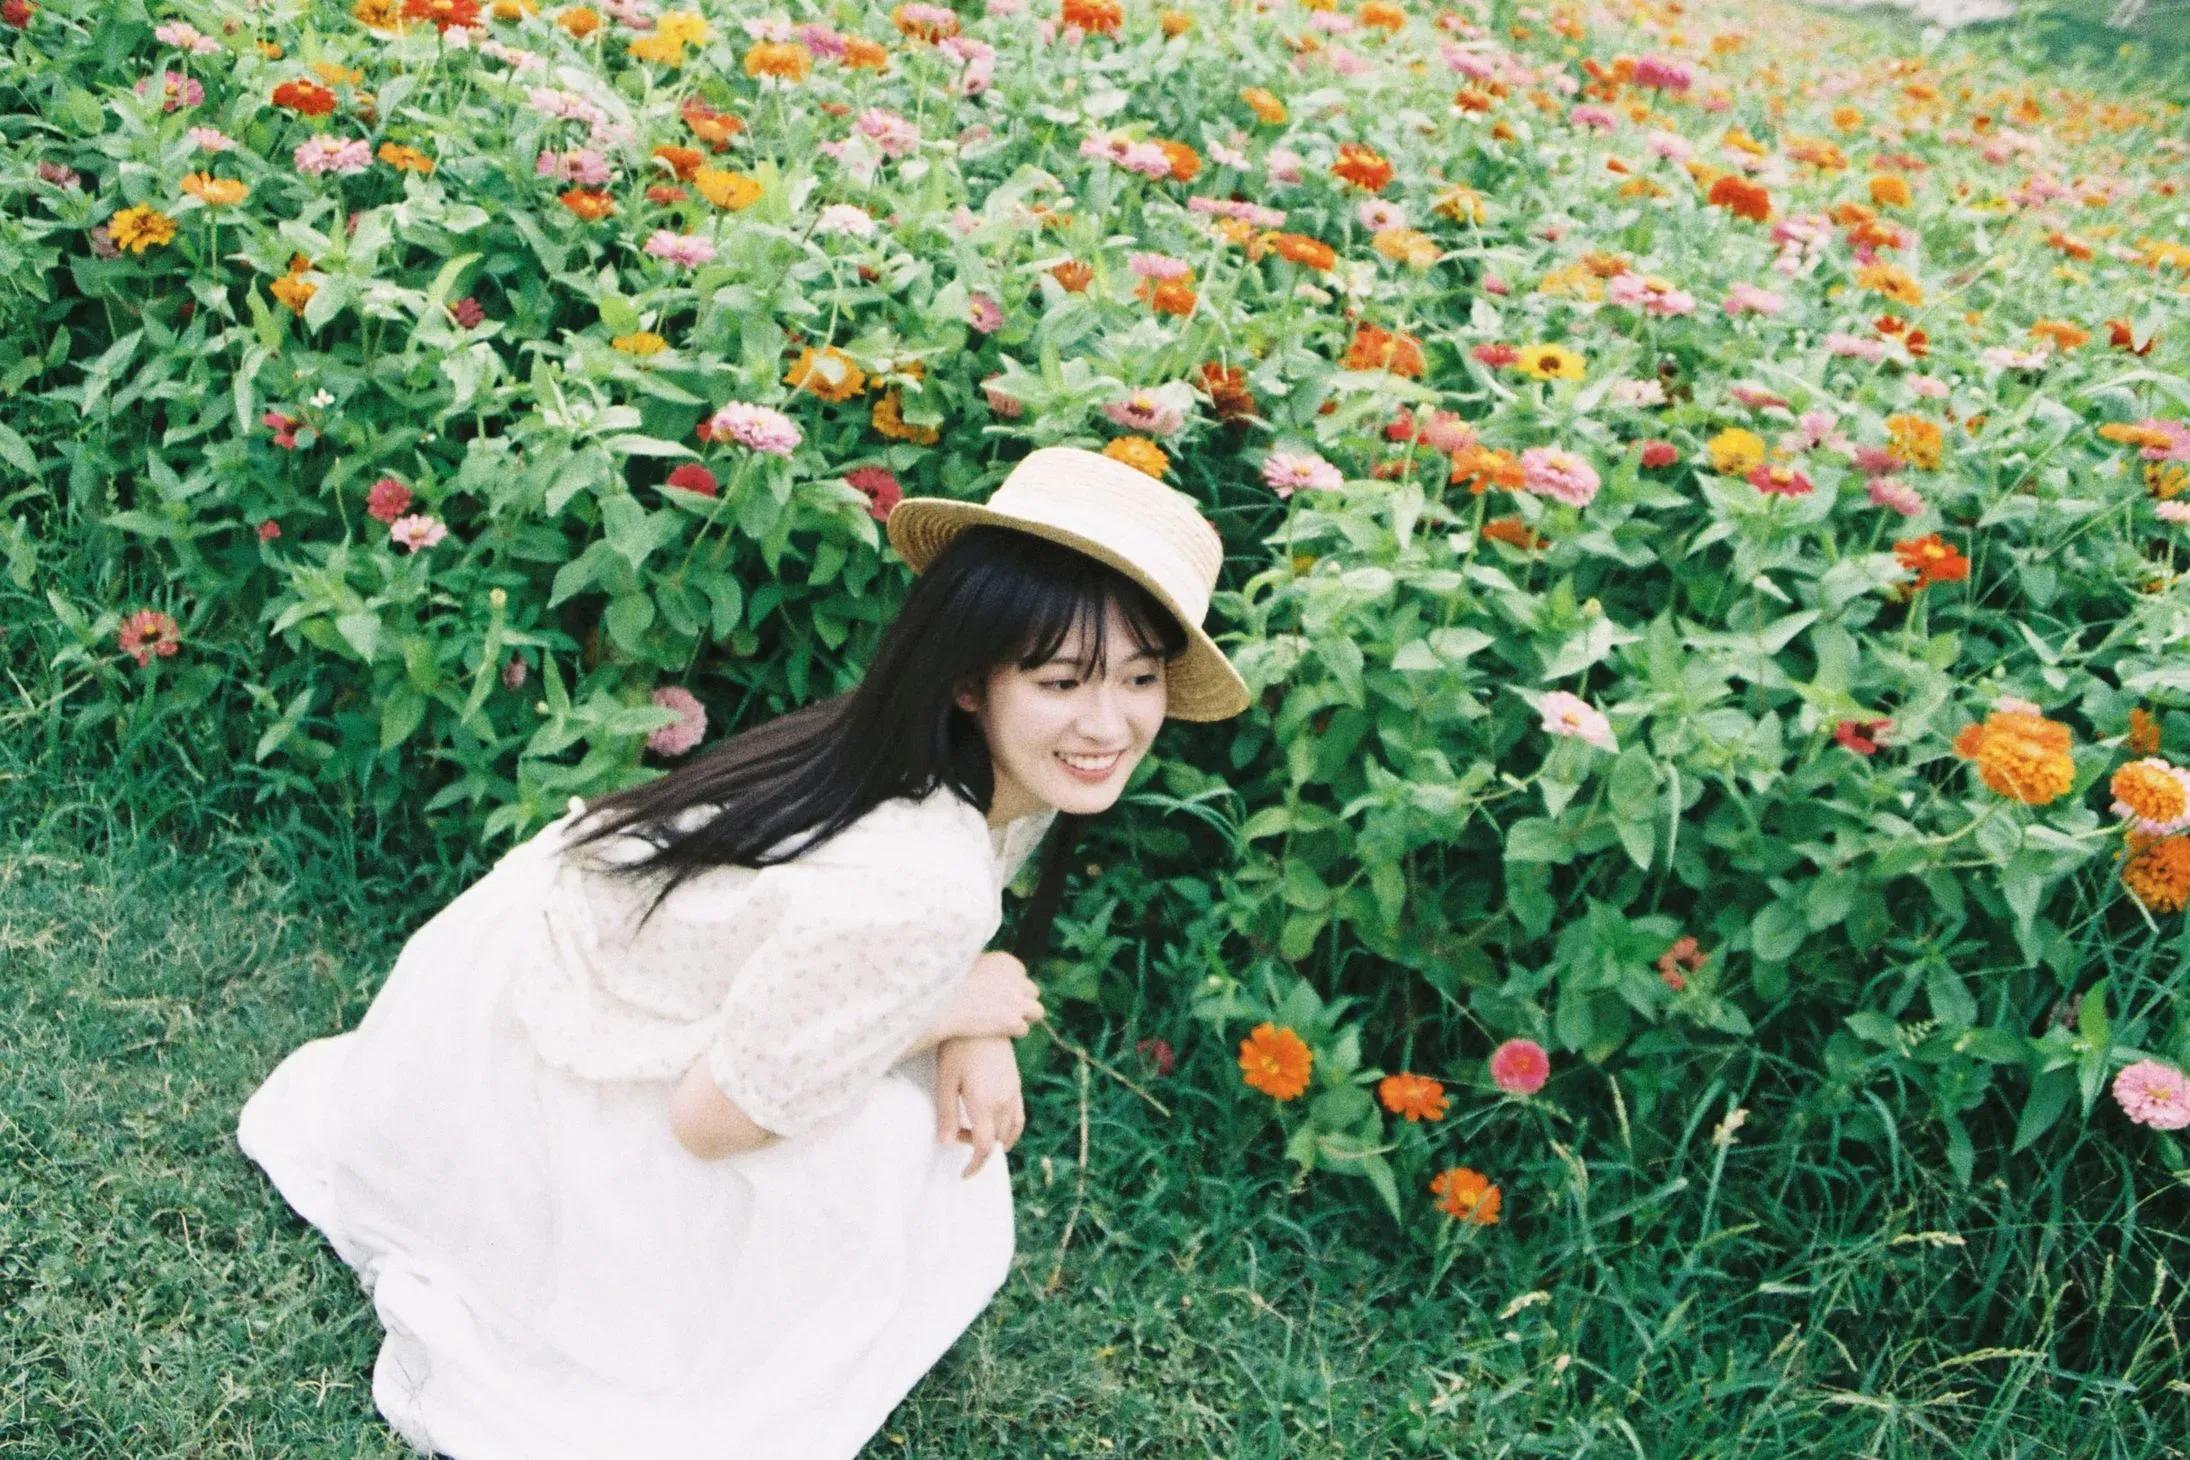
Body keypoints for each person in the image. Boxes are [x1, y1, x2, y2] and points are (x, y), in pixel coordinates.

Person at [235, 445, 1252, 1459]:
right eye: (1062, 679)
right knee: (907, 1152)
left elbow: (866, 955)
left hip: (516, 980)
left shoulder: (931, 763)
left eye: (1139, 678)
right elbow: (708, 1119)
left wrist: (967, 1020)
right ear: (969, 680)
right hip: (534, 1059)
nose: (1107, 724)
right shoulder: (924, 877)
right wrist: (954, 1010)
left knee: (895, 1105)